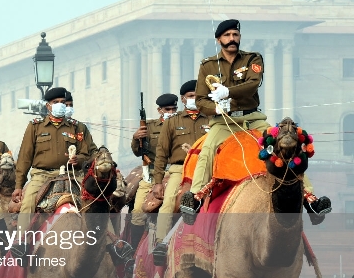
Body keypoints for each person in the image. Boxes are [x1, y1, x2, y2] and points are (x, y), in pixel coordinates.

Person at [182, 19, 329, 217]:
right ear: (218, 40)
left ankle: (309, 199)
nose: (232, 39)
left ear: (240, 37)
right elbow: (200, 101)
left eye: (235, 35)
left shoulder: (253, 59)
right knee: (207, 150)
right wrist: (215, 108)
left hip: (253, 118)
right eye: (227, 35)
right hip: (223, 121)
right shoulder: (208, 66)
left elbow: (253, 83)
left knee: (282, 146)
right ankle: (195, 199)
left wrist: (227, 92)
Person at [12, 87, 95, 232]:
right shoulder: (35, 127)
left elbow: (88, 153)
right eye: (55, 102)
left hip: (73, 175)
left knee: (94, 201)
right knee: (28, 204)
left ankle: (112, 242)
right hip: (42, 175)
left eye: (63, 102)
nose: (60, 105)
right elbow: (25, 158)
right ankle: (21, 240)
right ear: (48, 105)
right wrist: (19, 185)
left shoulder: (78, 127)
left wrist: (79, 160)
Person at [153, 81, 209, 244]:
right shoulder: (172, 122)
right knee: (169, 201)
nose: (194, 99)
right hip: (180, 170)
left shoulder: (211, 119)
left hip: (205, 167)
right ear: (183, 99)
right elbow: (161, 152)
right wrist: (158, 182)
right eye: (191, 96)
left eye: (198, 96)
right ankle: (161, 241)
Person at [128, 93, 176, 246]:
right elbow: (137, 152)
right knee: (137, 213)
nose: (171, 112)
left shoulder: (181, 123)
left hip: (174, 171)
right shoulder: (150, 127)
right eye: (167, 109)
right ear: (159, 110)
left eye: (174, 109)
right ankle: (133, 252)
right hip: (152, 173)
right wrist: (136, 138)